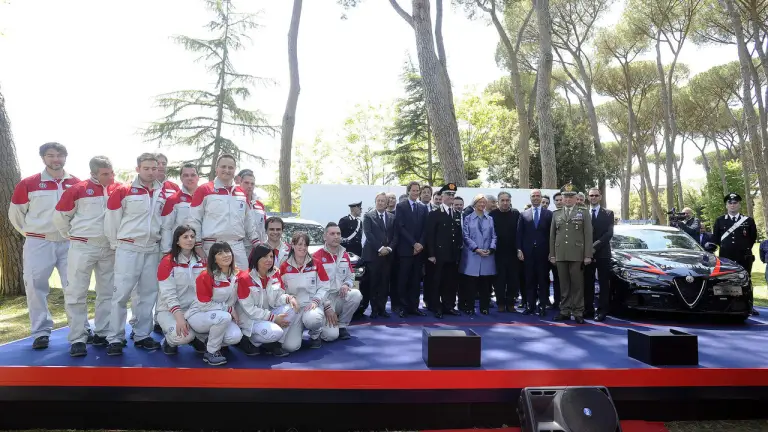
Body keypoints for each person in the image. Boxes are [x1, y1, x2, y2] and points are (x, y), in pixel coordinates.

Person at [8, 142, 83, 350]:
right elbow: (15, 214)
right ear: (43, 158)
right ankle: (40, 332)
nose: (55, 159)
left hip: (68, 243)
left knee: (75, 286)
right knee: (35, 286)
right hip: (38, 242)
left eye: (60, 155)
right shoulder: (29, 183)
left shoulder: (77, 184)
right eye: (51, 155)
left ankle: (80, 330)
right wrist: (31, 234)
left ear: (65, 157)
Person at [53, 155, 118, 356]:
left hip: (108, 247)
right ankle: (78, 338)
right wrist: (71, 236)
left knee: (107, 292)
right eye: (105, 174)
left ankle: (103, 332)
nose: (110, 177)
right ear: (93, 174)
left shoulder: (118, 189)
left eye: (111, 172)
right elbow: (60, 217)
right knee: (76, 292)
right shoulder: (77, 190)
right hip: (83, 246)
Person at [104, 153, 166, 355]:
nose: (150, 172)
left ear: (158, 168)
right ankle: (115, 338)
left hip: (152, 248)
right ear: (138, 168)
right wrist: (117, 244)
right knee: (120, 294)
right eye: (146, 168)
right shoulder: (124, 190)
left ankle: (142, 335)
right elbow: (112, 220)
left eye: (153, 168)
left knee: (148, 294)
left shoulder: (162, 192)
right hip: (128, 247)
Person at [188, 154, 260, 271]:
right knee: (215, 285)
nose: (227, 170)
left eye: (230, 168)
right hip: (213, 245)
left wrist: (256, 242)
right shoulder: (204, 190)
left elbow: (248, 220)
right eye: (223, 166)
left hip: (237, 246)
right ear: (217, 168)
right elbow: (194, 219)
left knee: (241, 283)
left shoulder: (241, 193)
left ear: (235, 170)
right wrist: (197, 245)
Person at [234, 244, 300, 357]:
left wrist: (289, 298)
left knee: (291, 308)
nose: (269, 260)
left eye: (271, 256)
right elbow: (249, 309)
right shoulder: (244, 278)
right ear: (256, 258)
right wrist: (273, 318)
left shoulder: (274, 274)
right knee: (276, 332)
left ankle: (275, 344)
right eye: (265, 257)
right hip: (251, 319)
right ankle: (251, 341)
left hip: (267, 315)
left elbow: (277, 299)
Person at [186, 242, 243, 365]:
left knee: (235, 337)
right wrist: (229, 309)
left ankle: (206, 340)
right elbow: (204, 304)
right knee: (224, 317)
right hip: (199, 315)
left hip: (219, 316)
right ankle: (211, 352)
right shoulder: (205, 276)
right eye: (220, 253)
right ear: (214, 259)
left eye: (227, 251)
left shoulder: (236, 274)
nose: (225, 255)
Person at [157, 225, 208, 355]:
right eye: (185, 237)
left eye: (192, 236)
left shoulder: (202, 262)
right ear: (177, 241)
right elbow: (168, 294)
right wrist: (179, 318)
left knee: (216, 328)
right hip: (169, 310)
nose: (190, 240)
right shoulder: (167, 261)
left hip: (193, 310)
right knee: (183, 336)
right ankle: (169, 341)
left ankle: (196, 336)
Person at [278, 232, 330, 350]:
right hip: (294, 309)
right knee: (290, 347)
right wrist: (288, 299)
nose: (303, 248)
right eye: (300, 244)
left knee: (313, 319)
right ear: (293, 245)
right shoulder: (284, 267)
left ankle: (315, 335)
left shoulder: (316, 264)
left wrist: (316, 301)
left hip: (311, 306)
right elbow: (280, 290)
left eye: (305, 245)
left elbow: (325, 286)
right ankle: (298, 329)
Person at [710, 193, 759, 316]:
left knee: (746, 280)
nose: (732, 205)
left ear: (739, 205)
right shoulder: (720, 220)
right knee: (724, 280)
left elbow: (752, 238)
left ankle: (748, 305)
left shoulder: (748, 221)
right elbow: (715, 239)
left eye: (735, 203)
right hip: (726, 257)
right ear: (726, 205)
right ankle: (726, 305)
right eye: (730, 203)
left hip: (743, 256)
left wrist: (743, 249)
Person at [550, 183, 593, 324]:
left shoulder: (583, 212)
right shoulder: (556, 214)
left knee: (577, 284)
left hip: (577, 253)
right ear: (561, 198)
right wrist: (552, 254)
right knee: (563, 284)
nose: (568, 200)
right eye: (565, 197)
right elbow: (552, 236)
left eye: (571, 197)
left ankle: (578, 311)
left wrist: (588, 255)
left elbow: (588, 234)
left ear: (576, 198)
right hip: (560, 253)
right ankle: (565, 310)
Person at [314, 222, 363, 340]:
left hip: (339, 296)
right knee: (330, 336)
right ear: (325, 237)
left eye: (338, 233)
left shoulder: (345, 255)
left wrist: (347, 284)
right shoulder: (316, 257)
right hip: (324, 300)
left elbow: (350, 276)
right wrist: (326, 306)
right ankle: (319, 328)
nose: (336, 236)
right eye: (332, 234)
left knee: (356, 294)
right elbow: (314, 286)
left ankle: (342, 325)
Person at [426, 183, 463, 318]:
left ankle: (449, 306)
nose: (451, 197)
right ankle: (436, 307)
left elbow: (458, 235)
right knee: (437, 282)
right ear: (442, 196)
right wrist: (431, 254)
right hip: (438, 255)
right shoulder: (434, 214)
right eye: (448, 194)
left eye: (453, 195)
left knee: (450, 282)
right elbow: (430, 235)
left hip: (452, 255)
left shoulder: (457, 214)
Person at [395, 181, 428, 317]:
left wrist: (420, 244)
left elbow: (426, 228)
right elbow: (400, 227)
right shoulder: (401, 206)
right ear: (408, 191)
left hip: (419, 251)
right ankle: (403, 307)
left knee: (415, 280)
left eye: (417, 191)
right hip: (405, 250)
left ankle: (414, 307)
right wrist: (413, 243)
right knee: (404, 279)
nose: (415, 193)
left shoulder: (423, 208)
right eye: (413, 190)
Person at [516, 189, 552, 316]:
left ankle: (542, 306)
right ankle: (530, 306)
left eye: (538, 196)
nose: (536, 198)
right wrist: (519, 249)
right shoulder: (524, 214)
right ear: (530, 198)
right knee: (529, 281)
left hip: (544, 253)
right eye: (533, 196)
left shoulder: (549, 214)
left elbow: (552, 235)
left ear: (541, 198)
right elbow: (519, 234)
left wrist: (551, 252)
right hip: (528, 254)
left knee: (543, 281)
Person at [459, 194, 497, 315]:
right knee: (471, 284)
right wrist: (476, 249)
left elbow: (494, 236)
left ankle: (484, 307)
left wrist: (491, 249)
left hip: (487, 255)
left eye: (483, 203)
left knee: (485, 284)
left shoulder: (490, 219)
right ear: (474, 204)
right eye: (479, 202)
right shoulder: (468, 218)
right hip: (472, 255)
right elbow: (466, 236)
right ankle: (470, 307)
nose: (482, 205)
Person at [362, 193, 398, 318]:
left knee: (384, 283)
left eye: (383, 201)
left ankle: (382, 309)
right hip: (373, 255)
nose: (381, 203)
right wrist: (380, 248)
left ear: (387, 203)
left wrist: (388, 248)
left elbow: (395, 236)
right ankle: (374, 310)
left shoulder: (392, 217)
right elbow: (368, 234)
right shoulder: (368, 216)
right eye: (379, 200)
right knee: (374, 283)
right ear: (375, 201)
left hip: (387, 256)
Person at [583, 187, 613, 322]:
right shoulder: (583, 213)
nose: (593, 197)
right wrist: (587, 250)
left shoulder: (608, 213)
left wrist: (593, 247)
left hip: (603, 253)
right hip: (586, 254)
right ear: (588, 197)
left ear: (600, 197)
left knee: (603, 284)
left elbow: (609, 234)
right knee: (587, 283)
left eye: (596, 195)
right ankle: (588, 309)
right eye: (591, 195)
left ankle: (602, 311)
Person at [489, 191, 521, 313]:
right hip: (497, 253)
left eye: (507, 200)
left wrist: (519, 249)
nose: (505, 202)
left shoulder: (516, 214)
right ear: (498, 202)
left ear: (510, 201)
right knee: (499, 280)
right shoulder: (492, 215)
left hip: (513, 253)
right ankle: (501, 303)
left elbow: (520, 233)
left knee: (513, 279)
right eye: (502, 200)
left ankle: (511, 303)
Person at [160, 163, 200, 254]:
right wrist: (166, 251)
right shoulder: (172, 199)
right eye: (185, 175)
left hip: (202, 249)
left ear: (198, 177)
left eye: (193, 175)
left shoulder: (206, 198)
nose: (190, 178)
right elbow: (166, 227)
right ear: (181, 178)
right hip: (180, 250)